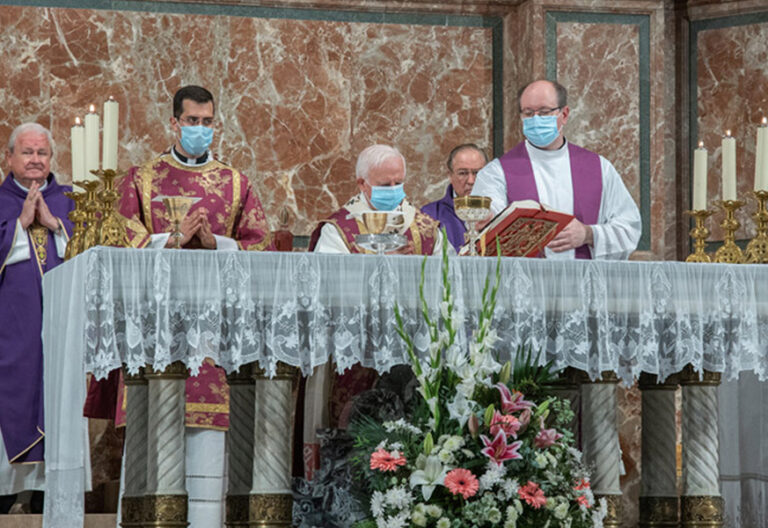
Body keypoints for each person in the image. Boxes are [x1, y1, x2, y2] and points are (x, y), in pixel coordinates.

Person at [84, 85, 273, 526]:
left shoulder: (235, 182)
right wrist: (168, 240)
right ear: (174, 123)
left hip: (214, 339)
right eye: (192, 122)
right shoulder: (142, 178)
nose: (200, 130)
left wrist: (217, 243)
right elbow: (117, 239)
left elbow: (261, 247)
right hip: (157, 335)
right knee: (154, 446)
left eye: (208, 123)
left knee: (209, 454)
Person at [471, 79, 641, 259]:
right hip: (526, 282)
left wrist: (588, 234)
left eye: (544, 112)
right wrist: (486, 221)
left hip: (583, 281)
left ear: (564, 114)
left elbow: (629, 228)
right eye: (528, 113)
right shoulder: (496, 172)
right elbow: (489, 229)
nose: (536, 119)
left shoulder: (600, 168)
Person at [0, 123, 74, 514]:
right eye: (27, 152)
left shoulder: (68, 200)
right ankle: (8, 494)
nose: (34, 160)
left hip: (61, 328)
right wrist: (18, 227)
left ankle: (51, 493)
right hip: (11, 331)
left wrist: (54, 225)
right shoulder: (0, 202)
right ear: (9, 158)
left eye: (42, 153)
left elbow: (90, 252)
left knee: (59, 396)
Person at [309, 144, 444, 255]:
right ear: (362, 184)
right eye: (385, 185)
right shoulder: (338, 230)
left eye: (398, 184)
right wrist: (382, 261)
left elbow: (445, 277)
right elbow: (331, 279)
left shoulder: (425, 227)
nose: (392, 190)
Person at [421, 143, 488, 252]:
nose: (471, 181)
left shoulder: (499, 211)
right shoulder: (429, 216)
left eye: (477, 173)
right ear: (450, 175)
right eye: (462, 173)